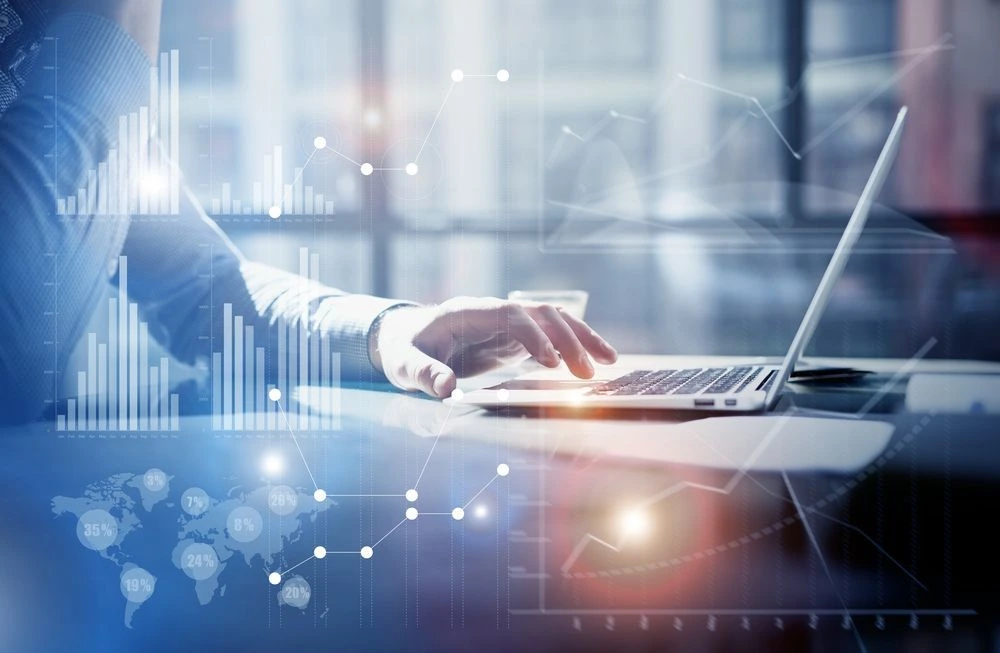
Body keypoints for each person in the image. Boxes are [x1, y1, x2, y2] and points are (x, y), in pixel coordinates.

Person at [0, 0, 617, 426]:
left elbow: (203, 288)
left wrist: (392, 334)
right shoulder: (80, 67)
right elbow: (11, 368)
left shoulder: (42, 63)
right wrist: (117, 21)